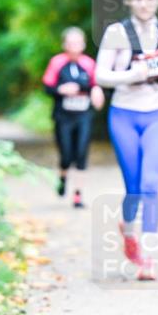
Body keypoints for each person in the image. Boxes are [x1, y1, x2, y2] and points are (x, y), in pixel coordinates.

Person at [95, 0, 158, 281]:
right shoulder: (117, 32)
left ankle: (148, 256)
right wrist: (133, 74)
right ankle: (127, 227)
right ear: (129, 2)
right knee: (133, 187)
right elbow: (101, 75)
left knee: (150, 184)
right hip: (124, 114)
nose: (144, 4)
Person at [42, 27, 105, 208]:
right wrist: (61, 90)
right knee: (66, 155)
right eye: (70, 43)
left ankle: (78, 195)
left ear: (83, 44)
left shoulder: (89, 64)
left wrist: (96, 92)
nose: (74, 46)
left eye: (77, 42)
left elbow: (96, 86)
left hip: (83, 115)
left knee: (81, 153)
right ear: (64, 45)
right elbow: (47, 88)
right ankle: (62, 178)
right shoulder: (57, 62)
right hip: (63, 117)